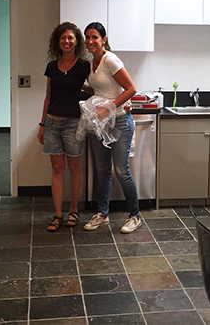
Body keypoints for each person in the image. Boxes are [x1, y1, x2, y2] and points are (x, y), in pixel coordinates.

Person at [82, 22, 141, 234]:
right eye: (87, 37)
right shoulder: (92, 63)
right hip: (101, 124)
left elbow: (131, 88)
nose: (90, 41)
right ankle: (102, 214)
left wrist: (109, 107)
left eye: (94, 37)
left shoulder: (110, 59)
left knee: (121, 171)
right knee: (102, 171)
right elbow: (100, 89)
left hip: (120, 122)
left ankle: (135, 216)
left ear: (103, 39)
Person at [38, 22, 91, 232]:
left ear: (76, 41)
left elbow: (100, 86)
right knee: (57, 168)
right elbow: (48, 97)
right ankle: (58, 214)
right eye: (63, 38)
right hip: (52, 123)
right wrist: (42, 124)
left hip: (73, 124)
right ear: (57, 41)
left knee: (74, 168)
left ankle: (74, 210)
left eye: (70, 37)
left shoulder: (84, 66)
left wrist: (119, 99)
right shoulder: (52, 66)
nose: (66, 41)